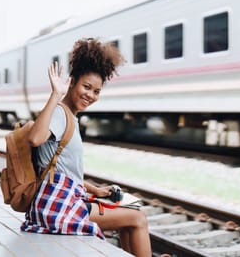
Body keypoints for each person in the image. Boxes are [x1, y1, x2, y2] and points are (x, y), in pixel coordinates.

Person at [21, 38, 151, 257]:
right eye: (86, 87)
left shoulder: (69, 117)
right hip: (57, 208)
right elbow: (35, 139)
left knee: (129, 218)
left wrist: (96, 190)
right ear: (72, 82)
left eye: (96, 92)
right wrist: (56, 94)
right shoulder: (61, 113)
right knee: (138, 217)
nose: (90, 95)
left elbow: (63, 174)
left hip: (57, 203)